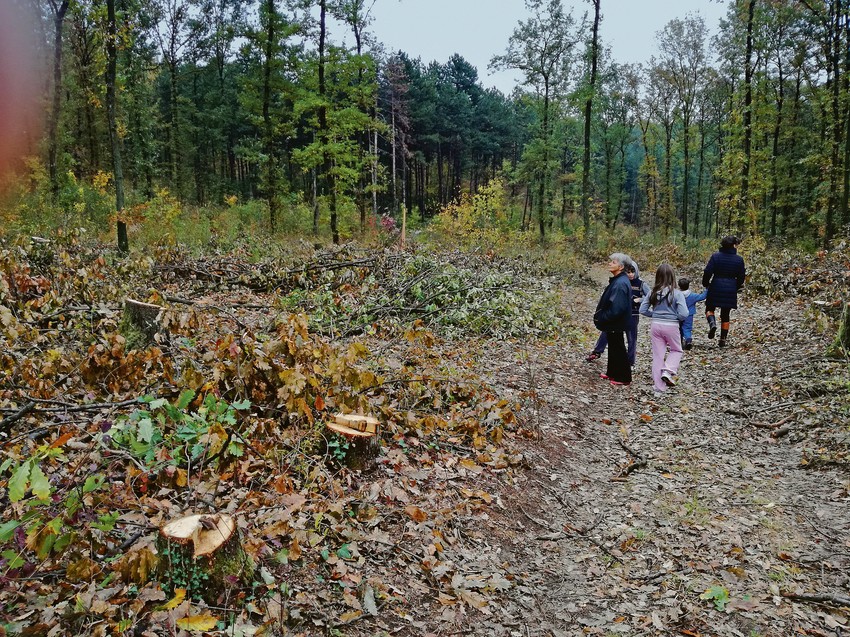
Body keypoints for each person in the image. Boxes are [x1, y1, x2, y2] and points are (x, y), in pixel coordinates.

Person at [586, 260, 649, 366]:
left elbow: (651, 296)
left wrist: (640, 300)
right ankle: (597, 351)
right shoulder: (620, 282)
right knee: (606, 332)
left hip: (633, 314)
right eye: (628, 272)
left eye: (632, 272)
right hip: (619, 314)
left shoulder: (641, 284)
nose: (630, 274)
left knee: (631, 338)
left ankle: (630, 361)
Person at [640, 263, 688, 396]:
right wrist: (676, 317)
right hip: (671, 326)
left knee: (658, 356)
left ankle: (658, 388)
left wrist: (654, 315)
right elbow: (684, 313)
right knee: (676, 350)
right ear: (673, 277)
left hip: (656, 325)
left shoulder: (652, 292)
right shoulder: (677, 293)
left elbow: (642, 309)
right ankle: (667, 371)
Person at [592, 253, 633, 386]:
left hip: (616, 322)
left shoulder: (620, 283)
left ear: (621, 267)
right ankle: (612, 372)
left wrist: (603, 318)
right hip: (614, 323)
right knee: (614, 346)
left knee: (618, 348)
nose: (610, 263)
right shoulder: (618, 280)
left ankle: (624, 377)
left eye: (613, 262)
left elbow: (617, 308)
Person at [702, 235, 746, 347]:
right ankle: (723, 339)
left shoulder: (716, 256)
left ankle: (712, 324)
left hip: (716, 285)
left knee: (709, 308)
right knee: (725, 314)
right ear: (733, 245)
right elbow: (741, 277)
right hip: (730, 288)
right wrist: (735, 287)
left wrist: (706, 283)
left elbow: (708, 271)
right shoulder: (739, 260)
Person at [678, 277, 707, 350]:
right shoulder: (692, 296)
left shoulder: (677, 295)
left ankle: (679, 341)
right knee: (687, 328)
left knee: (679, 328)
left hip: (679, 314)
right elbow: (702, 297)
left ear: (679, 286)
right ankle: (688, 340)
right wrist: (707, 289)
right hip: (689, 314)